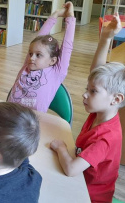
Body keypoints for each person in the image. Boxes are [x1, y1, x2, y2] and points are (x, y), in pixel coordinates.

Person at [50, 14, 125, 203]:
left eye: (92, 91)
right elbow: (96, 75)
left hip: (88, 196)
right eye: (87, 89)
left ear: (115, 99)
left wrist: (61, 148)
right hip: (81, 183)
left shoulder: (105, 138)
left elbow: (72, 169)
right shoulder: (101, 112)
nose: (85, 94)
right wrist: (106, 38)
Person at [7, 2, 75, 112]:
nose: (31, 58)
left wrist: (70, 17)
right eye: (30, 53)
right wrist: (55, 15)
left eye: (38, 55)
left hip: (31, 124)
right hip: (9, 116)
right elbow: (38, 39)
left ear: (52, 61)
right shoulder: (27, 66)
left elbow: (67, 47)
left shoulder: (57, 72)